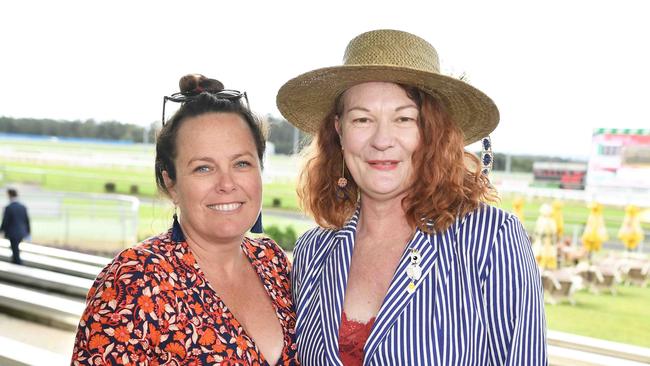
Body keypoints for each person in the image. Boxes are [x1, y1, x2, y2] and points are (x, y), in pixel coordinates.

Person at [277, 30, 547, 365]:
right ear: (339, 130)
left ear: (431, 132)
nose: (382, 140)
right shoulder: (313, 252)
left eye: (404, 119)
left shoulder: (491, 240)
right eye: (362, 119)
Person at [72, 74, 298, 365]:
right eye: (204, 168)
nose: (227, 183)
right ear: (171, 183)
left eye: (241, 163)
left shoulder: (273, 263)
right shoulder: (135, 280)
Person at [1, 188, 31, 265]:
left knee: (15, 251)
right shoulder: (23, 206)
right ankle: (17, 263)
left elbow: (5, 222)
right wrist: (28, 232)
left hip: (12, 233)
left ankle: (18, 266)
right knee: (16, 250)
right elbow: (27, 220)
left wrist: (1, 230)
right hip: (22, 232)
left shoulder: (9, 207)